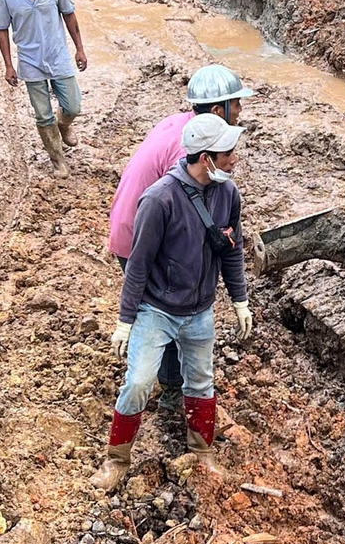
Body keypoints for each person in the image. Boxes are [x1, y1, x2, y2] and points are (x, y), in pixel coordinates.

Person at [96, 113, 250, 493]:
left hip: (199, 311)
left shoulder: (227, 193)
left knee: (200, 382)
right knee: (139, 382)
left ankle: (201, 454)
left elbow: (232, 250)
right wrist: (125, 320)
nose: (234, 159)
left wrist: (240, 299)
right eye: (228, 153)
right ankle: (116, 460)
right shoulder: (159, 199)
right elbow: (138, 264)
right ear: (206, 158)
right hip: (158, 311)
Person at [106, 65, 256, 401]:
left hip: (133, 218)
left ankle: (172, 379)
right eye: (237, 104)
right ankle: (172, 390)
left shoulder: (183, 126)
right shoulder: (188, 158)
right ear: (219, 110)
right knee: (169, 306)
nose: (241, 111)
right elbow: (188, 230)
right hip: (142, 232)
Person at [0, 0, 88, 175]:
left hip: (58, 56)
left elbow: (69, 15)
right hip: (30, 61)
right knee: (43, 114)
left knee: (73, 106)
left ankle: (63, 125)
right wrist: (8, 65)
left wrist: (80, 48)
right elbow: (2, 29)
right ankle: (58, 161)